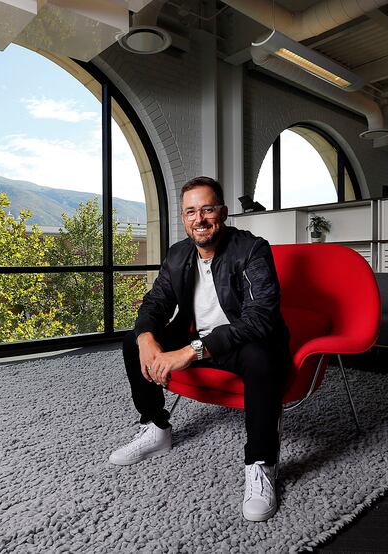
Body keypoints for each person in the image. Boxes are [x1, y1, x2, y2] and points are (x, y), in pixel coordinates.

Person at [108, 176, 291, 522]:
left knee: (262, 356)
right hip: (199, 337)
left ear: (222, 212)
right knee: (133, 342)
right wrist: (147, 337)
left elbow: (260, 320)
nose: (200, 219)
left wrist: (190, 351)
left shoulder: (252, 249)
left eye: (207, 209)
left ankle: (261, 462)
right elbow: (155, 303)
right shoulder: (178, 254)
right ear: (183, 217)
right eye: (191, 211)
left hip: (241, 340)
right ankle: (156, 428)